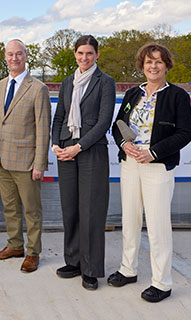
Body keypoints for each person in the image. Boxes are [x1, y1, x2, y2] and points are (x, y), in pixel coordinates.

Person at [108, 43, 191, 303]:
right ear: (141, 66)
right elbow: (117, 126)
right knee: (130, 220)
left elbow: (184, 134)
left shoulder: (177, 95)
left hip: (157, 166)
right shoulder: (134, 93)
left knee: (157, 226)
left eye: (158, 61)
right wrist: (125, 144)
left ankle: (162, 283)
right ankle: (128, 269)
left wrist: (153, 152)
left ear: (167, 65)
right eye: (148, 62)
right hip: (130, 164)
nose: (153, 66)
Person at [51, 35, 115, 290]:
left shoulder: (106, 82)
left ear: (97, 55)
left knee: (91, 211)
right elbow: (59, 117)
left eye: (89, 53)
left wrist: (79, 147)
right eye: (80, 53)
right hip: (66, 151)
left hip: (90, 152)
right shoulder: (68, 82)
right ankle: (74, 261)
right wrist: (56, 144)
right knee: (71, 208)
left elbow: (104, 122)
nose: (84, 58)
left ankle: (90, 269)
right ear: (75, 54)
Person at [0, 39, 51, 273]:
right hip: (3, 160)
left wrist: (39, 163)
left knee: (31, 210)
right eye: (10, 54)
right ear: (5, 57)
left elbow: (43, 129)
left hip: (27, 163)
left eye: (19, 54)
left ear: (26, 57)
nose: (14, 58)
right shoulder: (0, 86)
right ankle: (15, 246)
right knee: (10, 207)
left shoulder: (38, 88)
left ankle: (33, 252)